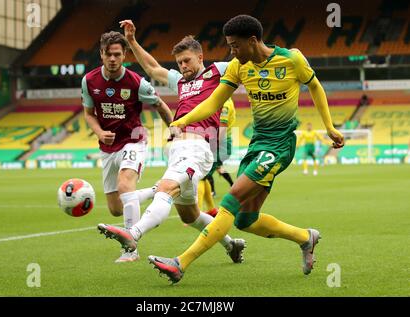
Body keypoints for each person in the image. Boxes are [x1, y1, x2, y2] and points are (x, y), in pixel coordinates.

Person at [148, 14, 345, 283]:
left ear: (252, 41)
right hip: (258, 144)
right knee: (245, 220)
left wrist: (330, 127)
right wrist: (180, 121)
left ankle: (181, 263)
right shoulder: (238, 67)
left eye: (235, 45)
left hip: (280, 145)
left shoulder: (292, 59)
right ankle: (305, 237)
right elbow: (214, 103)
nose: (232, 51)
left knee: (230, 200)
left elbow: (315, 86)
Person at [96, 20, 246, 264]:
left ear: (200, 56)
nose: (183, 66)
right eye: (179, 63)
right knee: (191, 216)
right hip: (178, 148)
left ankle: (132, 234)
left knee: (165, 189)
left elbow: (247, 59)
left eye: (187, 60)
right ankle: (232, 245)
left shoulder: (218, 71)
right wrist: (132, 42)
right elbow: (154, 69)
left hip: (199, 147)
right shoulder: (181, 81)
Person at [82, 31, 174, 262]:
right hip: (107, 148)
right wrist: (100, 132)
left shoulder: (136, 82)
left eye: (117, 54)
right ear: (101, 54)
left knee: (125, 185)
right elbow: (88, 114)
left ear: (124, 56)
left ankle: (130, 249)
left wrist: (175, 130)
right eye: (108, 54)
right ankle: (155, 191)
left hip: (134, 140)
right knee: (115, 208)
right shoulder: (89, 81)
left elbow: (161, 106)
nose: (112, 59)